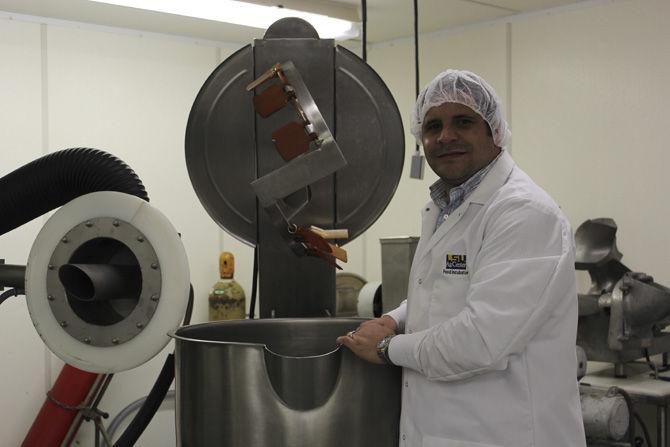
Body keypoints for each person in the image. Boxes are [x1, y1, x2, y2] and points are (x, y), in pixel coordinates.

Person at [337, 69, 585, 447]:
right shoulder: (445, 207)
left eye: (463, 122)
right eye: (433, 126)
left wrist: (388, 348)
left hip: (508, 434)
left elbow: (482, 339)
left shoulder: (523, 212)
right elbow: (439, 292)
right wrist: (395, 317)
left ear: (494, 131)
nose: (445, 137)